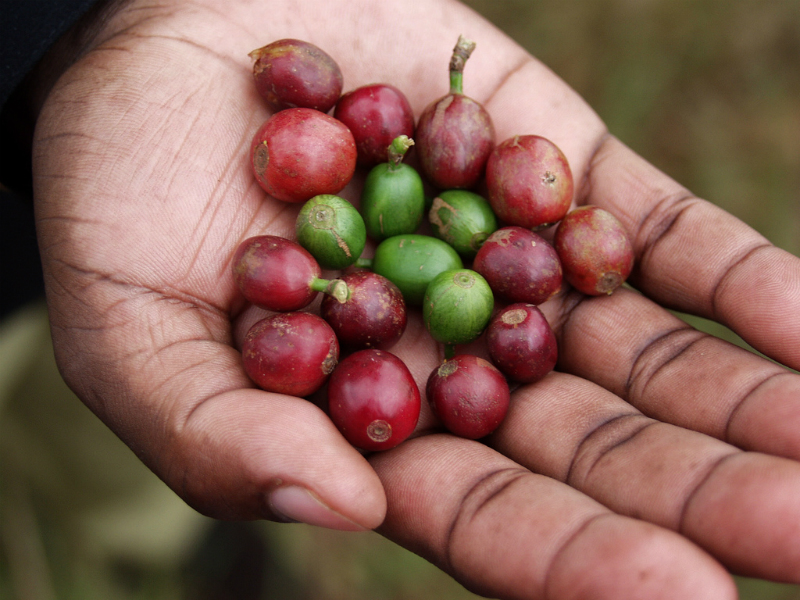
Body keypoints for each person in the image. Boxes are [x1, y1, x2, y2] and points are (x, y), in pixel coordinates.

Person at [3, 0, 800, 597]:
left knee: (109, 462)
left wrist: (83, 18)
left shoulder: (431, 236)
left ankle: (203, 554)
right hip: (21, 249)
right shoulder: (374, 232)